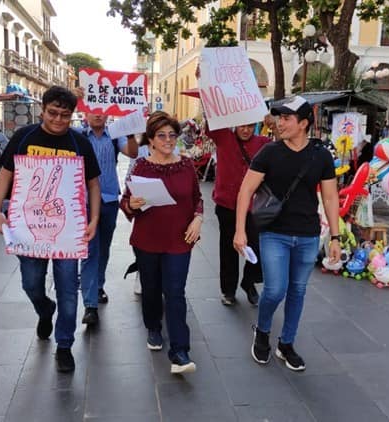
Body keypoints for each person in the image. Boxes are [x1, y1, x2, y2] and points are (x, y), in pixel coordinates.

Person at [0, 86, 101, 373]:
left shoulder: (79, 143)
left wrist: (93, 219)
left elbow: (93, 184)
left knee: (67, 288)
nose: (58, 120)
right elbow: (5, 175)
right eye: (53, 113)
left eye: (65, 115)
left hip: (67, 229)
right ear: (43, 109)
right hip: (28, 229)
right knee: (30, 283)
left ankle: (64, 345)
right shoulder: (24, 137)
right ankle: (44, 309)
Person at [233, 96, 341, 371]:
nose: (280, 123)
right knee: (275, 289)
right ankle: (263, 331)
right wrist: (240, 231)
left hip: (307, 234)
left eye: (286, 118)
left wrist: (336, 238)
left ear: (303, 123)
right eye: (279, 118)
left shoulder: (321, 156)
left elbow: (330, 197)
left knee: (298, 291)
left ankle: (287, 343)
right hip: (274, 233)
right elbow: (245, 190)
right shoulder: (270, 153)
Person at [120, 113, 203, 374]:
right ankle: (153, 327)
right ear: (151, 140)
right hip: (147, 239)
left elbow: (197, 198)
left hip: (179, 240)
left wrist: (198, 218)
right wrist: (131, 205)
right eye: (162, 136)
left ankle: (180, 351)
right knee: (152, 288)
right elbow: (126, 200)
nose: (168, 140)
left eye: (172, 135)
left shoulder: (187, 165)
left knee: (176, 292)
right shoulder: (140, 166)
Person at [77, 112, 138, 325]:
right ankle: (90, 304)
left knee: (103, 248)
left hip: (110, 199)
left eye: (102, 110)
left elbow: (132, 152)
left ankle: (97, 285)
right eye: (93, 109)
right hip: (83, 201)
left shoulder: (115, 135)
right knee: (89, 251)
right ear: (85, 113)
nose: (97, 114)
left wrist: (130, 134)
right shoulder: (78, 135)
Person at [205, 121, 270, 306]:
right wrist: (211, 101)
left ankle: (248, 282)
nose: (246, 130)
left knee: (257, 246)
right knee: (228, 248)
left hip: (253, 206)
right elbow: (211, 125)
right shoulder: (224, 137)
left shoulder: (263, 143)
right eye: (242, 125)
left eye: (250, 126)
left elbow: (282, 147)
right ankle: (228, 290)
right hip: (227, 204)